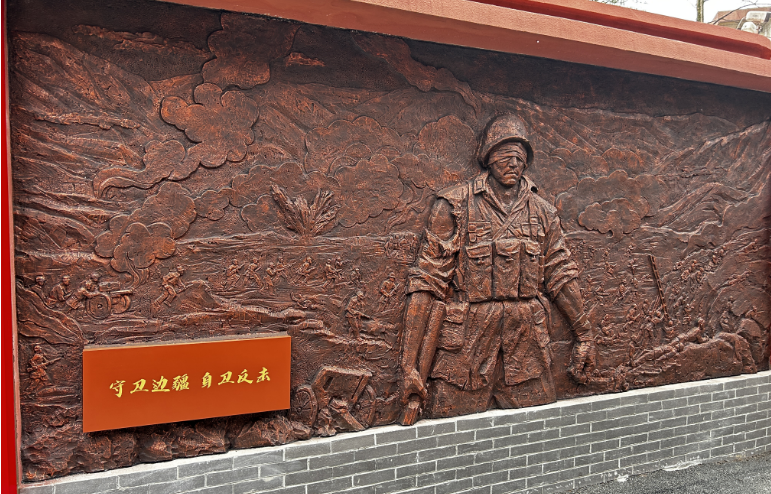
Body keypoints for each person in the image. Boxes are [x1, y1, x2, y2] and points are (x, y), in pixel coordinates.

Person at [399, 115, 595, 423]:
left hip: (526, 346)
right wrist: (409, 365)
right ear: (488, 157)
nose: (513, 162)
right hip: (467, 347)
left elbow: (560, 274)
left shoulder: (543, 212)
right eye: (505, 154)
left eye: (520, 156)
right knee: (448, 427)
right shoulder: (454, 205)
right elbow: (426, 282)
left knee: (538, 425)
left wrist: (584, 335)